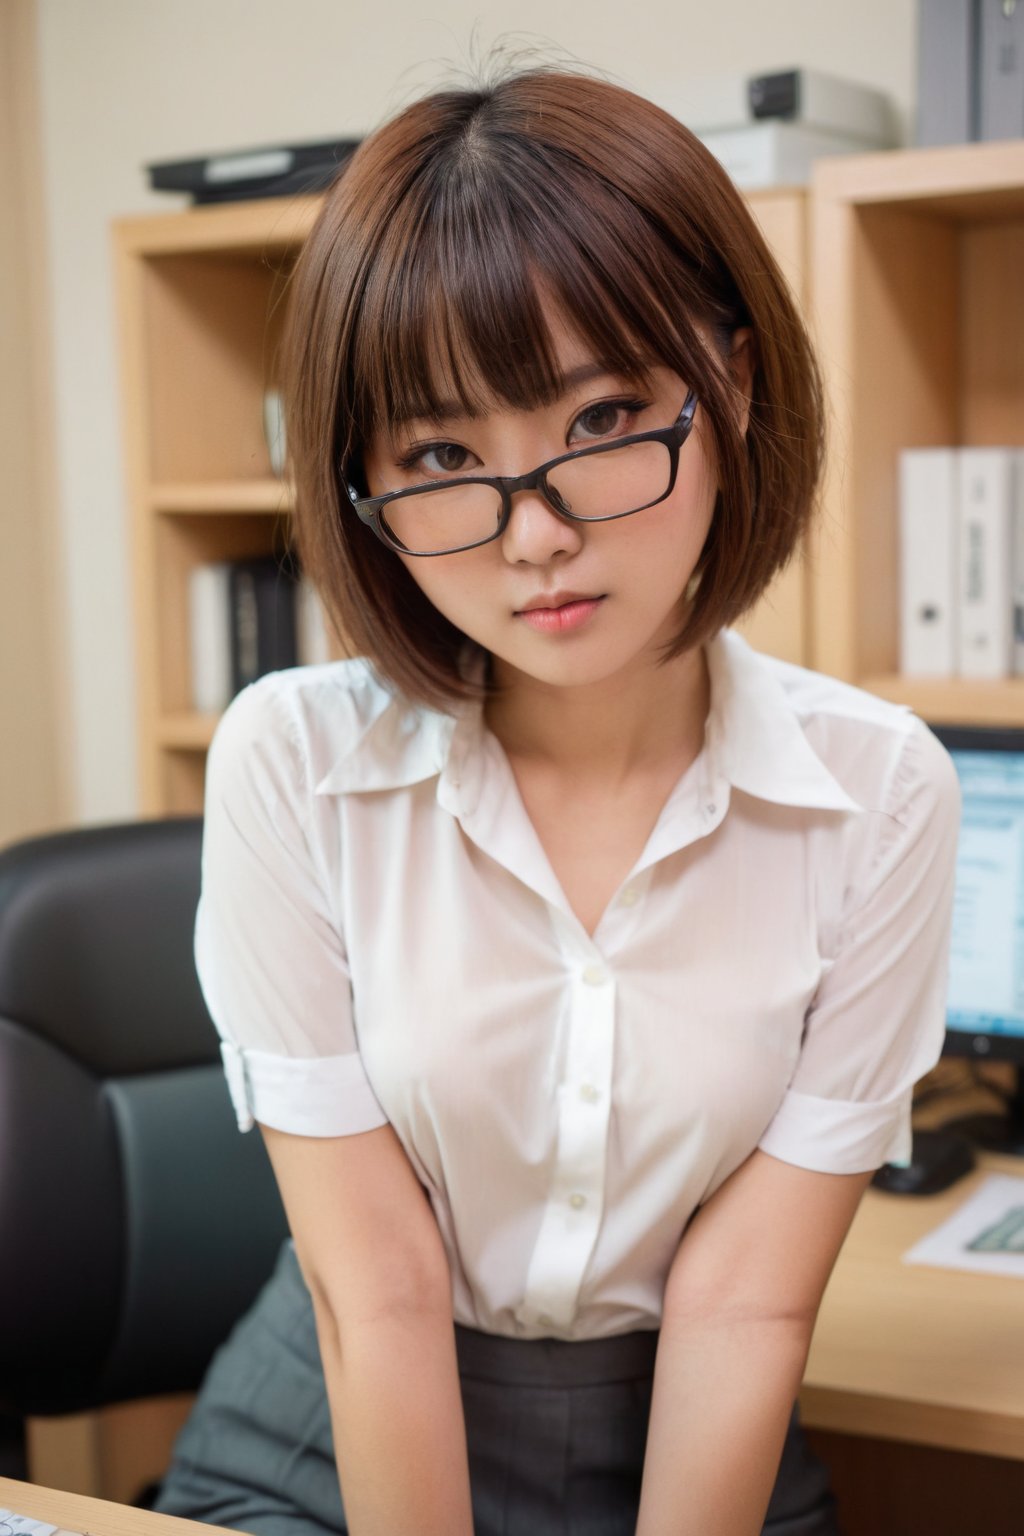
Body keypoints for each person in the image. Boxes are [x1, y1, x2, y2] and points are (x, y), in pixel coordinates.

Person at [154, 63, 961, 1536]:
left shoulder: (879, 795)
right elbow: (377, 1294)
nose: (535, 538)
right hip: (331, 1453)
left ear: (729, 382)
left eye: (599, 422)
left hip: (698, 1448)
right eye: (445, 457)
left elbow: (745, 1303)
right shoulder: (293, 764)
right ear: (362, 485)